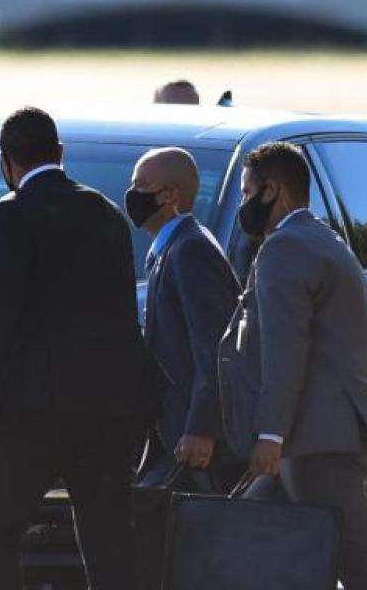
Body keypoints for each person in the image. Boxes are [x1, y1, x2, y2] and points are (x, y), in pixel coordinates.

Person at [0, 107, 158, 590]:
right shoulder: (105, 212)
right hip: (108, 406)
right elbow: (124, 316)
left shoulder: (9, 214)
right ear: (60, 154)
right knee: (108, 538)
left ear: (6, 162)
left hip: (34, 408)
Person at [219, 142, 367, 590]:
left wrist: (269, 435)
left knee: (365, 573)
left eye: (246, 192)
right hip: (320, 438)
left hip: (317, 443)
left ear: (271, 190)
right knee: (238, 548)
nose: (244, 204)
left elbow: (285, 350)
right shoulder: (321, 238)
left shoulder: (286, 248)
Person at [126, 147, 240, 491]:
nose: (132, 194)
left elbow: (214, 347)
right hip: (172, 433)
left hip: (197, 444)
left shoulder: (190, 250)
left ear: (171, 195)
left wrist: (203, 428)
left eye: (141, 184)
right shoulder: (171, 247)